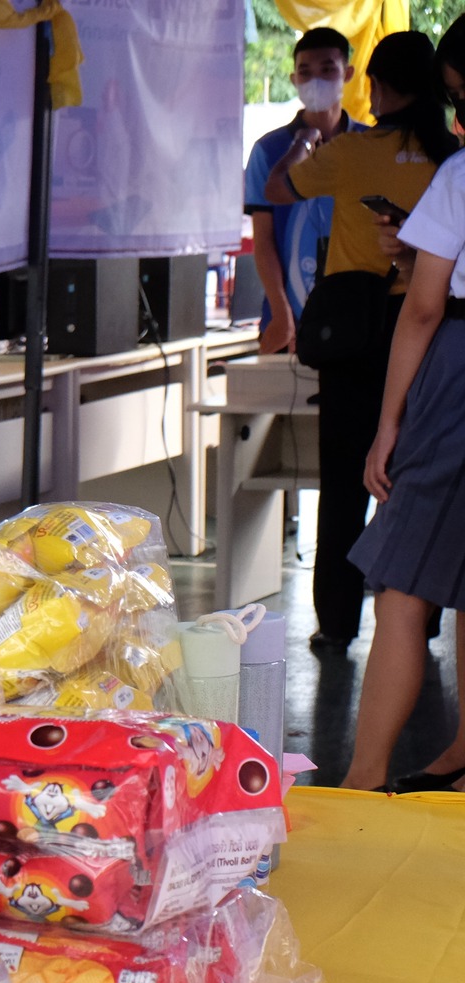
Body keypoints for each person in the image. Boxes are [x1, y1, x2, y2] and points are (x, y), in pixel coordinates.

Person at [268, 30, 458, 652]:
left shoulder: (350, 152)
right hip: (432, 339)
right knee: (415, 479)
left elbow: (277, 190)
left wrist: (304, 138)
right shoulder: (448, 157)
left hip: (353, 339)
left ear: (372, 84)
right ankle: (420, 619)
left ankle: (338, 623)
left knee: (345, 481)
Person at [341, 18, 465, 792]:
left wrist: (388, 424)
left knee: (403, 587)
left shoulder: (460, 178)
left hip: (457, 376)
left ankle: (364, 777)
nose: (457, 119)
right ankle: (459, 762)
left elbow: (421, 310)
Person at [244, 29, 362, 356]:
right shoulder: (268, 151)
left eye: (328, 70)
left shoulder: (367, 145)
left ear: (347, 74)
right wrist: (282, 313)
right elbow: (263, 240)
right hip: (288, 319)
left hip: (358, 317)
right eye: (306, 72)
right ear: (293, 78)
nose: (316, 81)